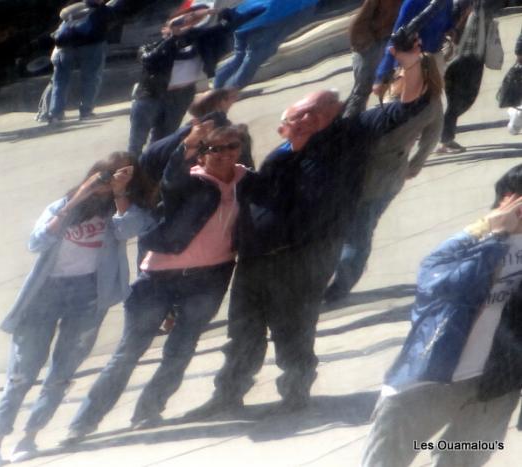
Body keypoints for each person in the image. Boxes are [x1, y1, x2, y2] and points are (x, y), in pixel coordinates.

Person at [187, 42, 432, 418]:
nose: (307, 119)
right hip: (254, 262)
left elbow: (408, 107)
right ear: (284, 121)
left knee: (294, 333)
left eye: (319, 114)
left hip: (305, 260)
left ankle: (295, 394)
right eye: (301, 114)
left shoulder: (347, 139)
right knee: (243, 333)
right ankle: (227, 395)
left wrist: (410, 63)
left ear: (335, 117)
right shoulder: (277, 156)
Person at [65, 124, 250, 441]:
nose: (224, 154)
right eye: (214, 149)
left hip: (210, 278)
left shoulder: (245, 179)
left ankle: (148, 410)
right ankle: (83, 423)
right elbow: (171, 180)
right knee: (129, 352)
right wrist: (184, 148)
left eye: (232, 146)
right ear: (201, 154)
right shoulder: (189, 181)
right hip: (160, 278)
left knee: (181, 349)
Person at [0, 152, 155, 467]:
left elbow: (130, 229)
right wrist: (78, 197)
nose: (107, 184)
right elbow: (36, 242)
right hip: (45, 294)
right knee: (22, 373)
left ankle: (30, 436)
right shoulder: (65, 204)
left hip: (88, 295)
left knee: (61, 374)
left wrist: (119, 193)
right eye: (104, 177)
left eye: (118, 178)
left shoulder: (119, 212)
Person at [361, 164, 522, 467]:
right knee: (386, 459)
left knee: (462, 460)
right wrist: (495, 235)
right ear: (510, 199)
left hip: (498, 383)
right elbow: (449, 285)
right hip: (432, 375)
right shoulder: (469, 242)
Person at [325, 53, 444, 302]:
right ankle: (336, 278)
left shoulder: (421, 105)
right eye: (400, 69)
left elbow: (431, 137)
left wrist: (415, 164)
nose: (398, 73)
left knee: (359, 233)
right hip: (372, 176)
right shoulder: (411, 98)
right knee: (353, 229)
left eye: (403, 70)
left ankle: (341, 285)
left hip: (379, 179)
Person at [127, 5, 263, 156]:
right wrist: (174, 36)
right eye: (180, 22)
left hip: (181, 95)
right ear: (164, 28)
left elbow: (231, 25)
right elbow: (151, 59)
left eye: (192, 21)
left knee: (163, 141)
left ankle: (151, 171)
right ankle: (132, 172)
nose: (185, 25)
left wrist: (224, 13)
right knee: (136, 142)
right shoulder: (150, 46)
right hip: (150, 94)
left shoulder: (201, 41)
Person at [434, 0, 503, 154]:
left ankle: (443, 136)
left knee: (457, 100)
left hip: (465, 54)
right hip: (464, 56)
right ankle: (445, 138)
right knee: (460, 100)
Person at [47, 0, 124, 123]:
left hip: (65, 47)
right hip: (92, 47)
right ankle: (86, 111)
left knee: (60, 81)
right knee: (91, 78)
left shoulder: (72, 8)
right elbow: (112, 23)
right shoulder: (103, 10)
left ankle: (55, 113)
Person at [213, 0, 317, 90]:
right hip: (271, 17)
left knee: (241, 56)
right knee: (253, 57)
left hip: (246, 15)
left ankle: (218, 87)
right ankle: (226, 93)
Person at [372, 0, 453, 97]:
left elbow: (397, 40)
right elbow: (396, 39)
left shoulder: (414, 2)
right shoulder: (414, 2)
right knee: (426, 105)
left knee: (425, 105)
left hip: (423, 63)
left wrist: (382, 75)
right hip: (423, 63)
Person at [344, 0, 403, 117]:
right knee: (362, 92)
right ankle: (346, 126)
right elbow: (360, 23)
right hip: (369, 43)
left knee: (394, 84)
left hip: (380, 39)